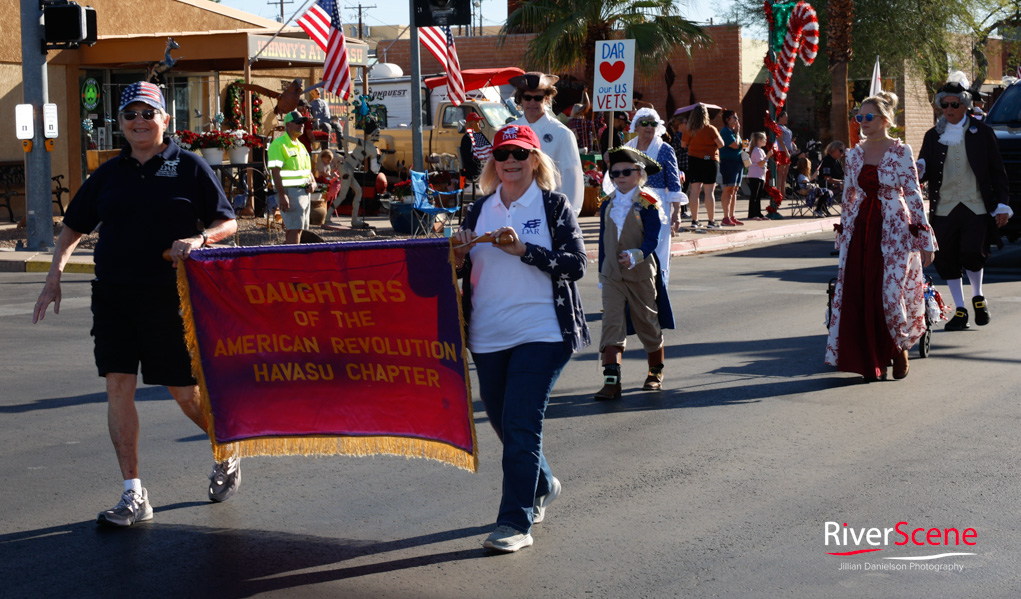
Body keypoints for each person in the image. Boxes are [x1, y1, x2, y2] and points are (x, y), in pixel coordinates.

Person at [32, 81, 240, 527]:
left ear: (165, 119)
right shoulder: (108, 174)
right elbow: (73, 227)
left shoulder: (190, 167)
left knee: (185, 394)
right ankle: (134, 494)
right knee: (117, 386)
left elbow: (230, 221)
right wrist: (54, 276)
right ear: (121, 124)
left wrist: (199, 238)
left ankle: (226, 449)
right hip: (114, 296)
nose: (139, 121)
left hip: (169, 297)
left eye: (148, 113)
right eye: (130, 115)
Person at [450, 124, 589, 553]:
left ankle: (514, 522)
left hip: (544, 332)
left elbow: (576, 264)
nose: (511, 161)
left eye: (520, 154)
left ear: (535, 160)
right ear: (493, 162)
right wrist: (454, 257)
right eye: (503, 154)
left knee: (521, 422)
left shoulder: (553, 205)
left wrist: (525, 250)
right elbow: (456, 273)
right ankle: (542, 483)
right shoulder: (478, 211)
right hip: (488, 336)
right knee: (503, 424)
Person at [824, 92, 936, 381]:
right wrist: (843, 233)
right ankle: (869, 357)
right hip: (862, 226)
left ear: (886, 120)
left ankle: (898, 348)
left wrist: (924, 237)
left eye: (869, 117)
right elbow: (849, 195)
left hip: (894, 228)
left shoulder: (902, 152)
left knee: (890, 291)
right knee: (862, 290)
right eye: (859, 117)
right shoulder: (854, 153)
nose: (862, 122)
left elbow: (913, 193)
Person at [917, 80, 1012, 331]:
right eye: (944, 104)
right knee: (946, 257)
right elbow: (923, 166)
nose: (949, 109)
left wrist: (1002, 203)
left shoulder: (982, 133)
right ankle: (960, 309)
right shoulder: (933, 135)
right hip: (944, 207)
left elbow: (997, 171)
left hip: (975, 205)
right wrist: (919, 168)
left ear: (965, 104)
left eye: (954, 104)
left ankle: (978, 296)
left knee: (973, 251)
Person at [594, 147, 675, 400]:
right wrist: (601, 272)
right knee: (611, 324)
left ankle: (655, 372)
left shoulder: (648, 203)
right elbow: (602, 240)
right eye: (615, 172)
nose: (619, 176)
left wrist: (636, 255)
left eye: (626, 172)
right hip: (611, 275)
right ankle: (611, 380)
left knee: (647, 323)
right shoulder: (607, 203)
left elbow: (653, 238)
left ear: (638, 174)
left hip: (640, 273)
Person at [509, 71, 585, 216]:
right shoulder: (508, 132)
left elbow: (571, 176)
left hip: (548, 212)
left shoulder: (562, 134)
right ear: (521, 99)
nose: (532, 102)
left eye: (538, 98)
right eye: (527, 97)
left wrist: (568, 216)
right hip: (513, 212)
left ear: (547, 99)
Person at [622, 107, 683, 282]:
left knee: (657, 248)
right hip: (631, 204)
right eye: (645, 123)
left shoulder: (665, 149)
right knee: (632, 245)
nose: (649, 127)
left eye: (653, 123)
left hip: (658, 205)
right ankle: (631, 292)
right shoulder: (627, 148)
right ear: (636, 126)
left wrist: (676, 213)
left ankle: (658, 291)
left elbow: (673, 184)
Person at [268, 110, 317, 244]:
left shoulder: (300, 146)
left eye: (302, 122)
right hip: (290, 192)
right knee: (295, 228)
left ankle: (293, 258)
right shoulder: (279, 144)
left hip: (303, 192)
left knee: (298, 229)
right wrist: (282, 194)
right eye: (297, 123)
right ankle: (293, 258)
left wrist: (313, 183)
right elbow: (275, 171)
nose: (301, 125)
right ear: (287, 125)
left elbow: (307, 170)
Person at [682, 104, 725, 230]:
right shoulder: (711, 129)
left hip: (694, 160)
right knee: (709, 191)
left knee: (694, 191)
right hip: (709, 160)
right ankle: (711, 221)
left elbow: (683, 144)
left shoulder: (689, 130)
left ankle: (695, 220)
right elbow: (721, 144)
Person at [719, 109, 745, 226]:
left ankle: (732, 215)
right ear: (727, 120)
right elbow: (735, 145)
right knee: (728, 189)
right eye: (734, 117)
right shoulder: (725, 131)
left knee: (734, 190)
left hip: (737, 162)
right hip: (729, 162)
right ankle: (725, 217)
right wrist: (738, 132)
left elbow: (741, 145)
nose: (737, 119)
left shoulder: (732, 132)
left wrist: (737, 133)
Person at [669, 111, 692, 223]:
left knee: (685, 188)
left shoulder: (684, 135)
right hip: (682, 166)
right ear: (680, 125)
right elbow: (675, 152)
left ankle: (684, 209)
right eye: (685, 122)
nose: (687, 124)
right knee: (683, 188)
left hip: (686, 165)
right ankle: (683, 210)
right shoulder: (678, 136)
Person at [746, 131, 772, 220]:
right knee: (754, 195)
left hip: (760, 175)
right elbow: (760, 163)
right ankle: (752, 214)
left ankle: (758, 213)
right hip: (755, 175)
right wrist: (767, 157)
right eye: (764, 139)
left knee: (758, 195)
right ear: (759, 140)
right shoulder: (756, 150)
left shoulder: (760, 150)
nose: (765, 141)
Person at [459, 112, 492, 182]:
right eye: (477, 122)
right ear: (470, 124)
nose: (480, 124)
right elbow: (470, 158)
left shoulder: (475, 137)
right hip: (473, 174)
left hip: (478, 171)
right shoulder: (468, 138)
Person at [775, 109, 797, 198]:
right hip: (782, 151)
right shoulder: (779, 127)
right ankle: (778, 192)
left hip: (788, 151)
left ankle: (783, 192)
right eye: (785, 116)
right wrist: (786, 152)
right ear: (780, 117)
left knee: (785, 173)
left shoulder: (785, 128)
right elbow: (780, 141)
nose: (787, 118)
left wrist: (792, 145)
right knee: (781, 172)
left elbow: (787, 141)